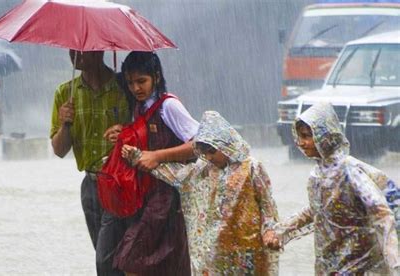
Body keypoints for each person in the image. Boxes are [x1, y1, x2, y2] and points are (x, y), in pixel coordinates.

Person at [122, 110, 280, 275]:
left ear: (224, 143)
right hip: (215, 252)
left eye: (212, 151)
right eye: (204, 152)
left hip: (249, 248)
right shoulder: (202, 170)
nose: (209, 157)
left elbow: (267, 204)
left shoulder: (252, 168)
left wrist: (270, 230)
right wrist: (137, 157)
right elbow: (174, 174)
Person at [264, 102, 400, 275]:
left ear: (325, 136)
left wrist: (393, 259)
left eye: (307, 136)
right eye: (299, 137)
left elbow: (381, 212)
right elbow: (317, 210)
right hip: (329, 261)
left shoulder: (349, 170)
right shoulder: (317, 174)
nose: (301, 143)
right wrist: (281, 230)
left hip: (359, 262)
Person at [104, 51, 198, 275]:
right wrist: (123, 134)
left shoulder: (169, 106)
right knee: (140, 262)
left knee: (134, 260)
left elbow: (200, 145)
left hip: (170, 200)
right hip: (146, 197)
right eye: (130, 83)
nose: (136, 88)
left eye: (141, 81)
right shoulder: (139, 108)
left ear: (156, 77)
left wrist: (157, 156)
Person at [50, 50, 131, 275]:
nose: (73, 55)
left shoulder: (125, 87)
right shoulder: (65, 93)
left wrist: (126, 132)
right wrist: (65, 123)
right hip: (91, 186)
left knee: (107, 259)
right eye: (71, 49)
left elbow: (145, 129)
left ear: (99, 50)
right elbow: (59, 150)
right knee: (105, 254)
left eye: (80, 50)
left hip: (121, 183)